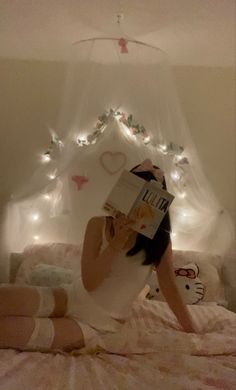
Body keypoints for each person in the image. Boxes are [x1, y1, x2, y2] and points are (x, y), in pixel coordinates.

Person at [0, 159, 196, 352]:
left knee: (6, 331)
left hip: (99, 324)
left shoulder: (160, 242)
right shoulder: (97, 224)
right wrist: (115, 242)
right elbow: (90, 281)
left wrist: (192, 329)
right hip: (71, 296)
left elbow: (169, 287)